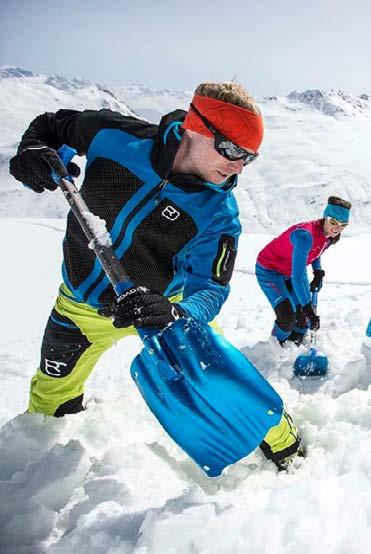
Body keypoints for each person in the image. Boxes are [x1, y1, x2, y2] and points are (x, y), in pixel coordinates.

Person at [8, 81, 302, 469]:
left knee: (225, 384)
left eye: (249, 157)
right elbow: (52, 126)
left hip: (161, 312)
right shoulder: (116, 137)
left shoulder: (220, 214)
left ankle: (285, 441)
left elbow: (212, 287)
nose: (238, 166)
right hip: (81, 305)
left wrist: (178, 314)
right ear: (196, 126)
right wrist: (31, 149)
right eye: (231, 149)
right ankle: (44, 469)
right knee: (48, 399)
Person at [255, 196, 351, 346]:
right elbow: (299, 278)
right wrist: (308, 308)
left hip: (290, 271)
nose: (337, 228)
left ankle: (294, 343)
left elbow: (317, 250)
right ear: (325, 217)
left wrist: (318, 271)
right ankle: (275, 346)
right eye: (333, 222)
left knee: (302, 322)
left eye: (343, 225)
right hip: (270, 270)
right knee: (287, 320)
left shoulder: (330, 235)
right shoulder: (304, 235)